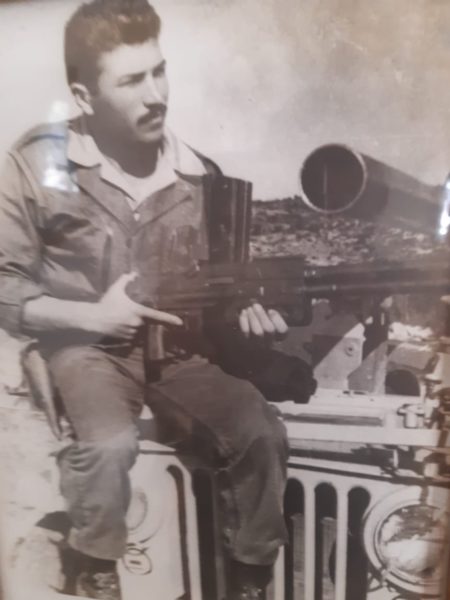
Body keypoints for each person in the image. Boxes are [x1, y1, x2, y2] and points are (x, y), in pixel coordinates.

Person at [0, 1, 315, 598]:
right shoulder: (36, 163)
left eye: (159, 72)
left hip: (182, 356)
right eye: (131, 81)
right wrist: (92, 316)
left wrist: (250, 322)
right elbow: (5, 284)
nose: (156, 95)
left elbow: (227, 297)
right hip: (88, 352)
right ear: (84, 96)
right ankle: (95, 571)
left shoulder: (203, 177)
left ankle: (249, 578)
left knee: (259, 432)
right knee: (107, 445)